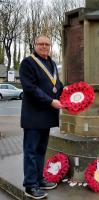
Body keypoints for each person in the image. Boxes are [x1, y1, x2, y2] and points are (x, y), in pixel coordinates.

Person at [19, 35, 63, 199]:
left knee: (41, 150)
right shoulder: (28, 63)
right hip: (33, 115)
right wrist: (50, 101)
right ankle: (30, 186)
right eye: (41, 44)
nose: (44, 46)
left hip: (46, 115)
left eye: (47, 44)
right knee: (31, 151)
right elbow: (30, 88)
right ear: (35, 45)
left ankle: (39, 179)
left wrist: (69, 93)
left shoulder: (51, 63)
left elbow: (56, 85)